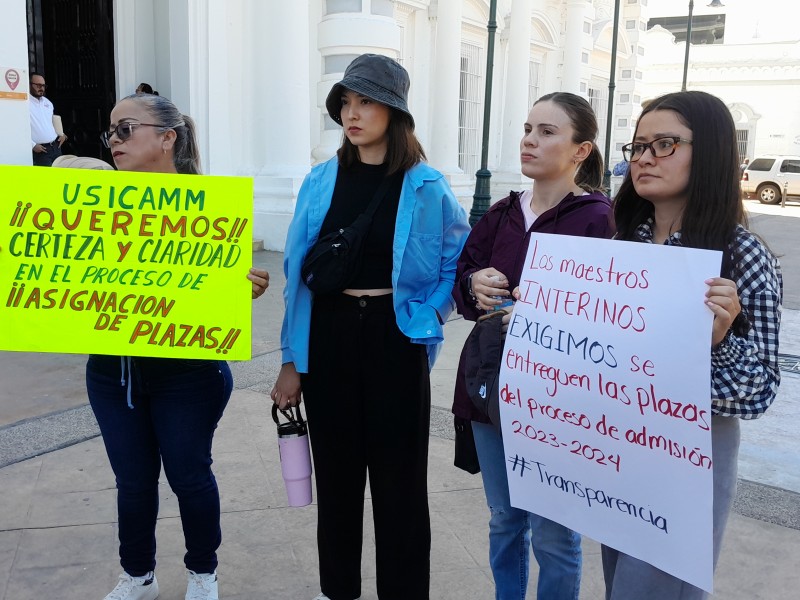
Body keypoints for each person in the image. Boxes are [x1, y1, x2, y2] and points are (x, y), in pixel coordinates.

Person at [272, 53, 470, 600]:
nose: (352, 114)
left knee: (400, 485)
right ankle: (338, 591)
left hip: (394, 337)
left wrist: (429, 315)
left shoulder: (426, 185)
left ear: (394, 113)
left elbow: (457, 261)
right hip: (329, 337)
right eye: (346, 103)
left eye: (366, 103)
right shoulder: (319, 181)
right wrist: (291, 360)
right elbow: (296, 275)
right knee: (336, 481)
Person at [88, 92, 269, 600]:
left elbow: (216, 286)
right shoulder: (91, 199)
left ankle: (202, 574)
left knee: (189, 475)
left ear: (167, 138)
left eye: (126, 129)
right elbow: (60, 167)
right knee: (132, 481)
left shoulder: (209, 212)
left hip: (188, 374)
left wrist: (243, 285)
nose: (114, 141)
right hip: (113, 372)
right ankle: (138, 575)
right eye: (111, 131)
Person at [602, 90, 782, 599]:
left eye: (664, 144)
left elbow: (759, 391)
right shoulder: (624, 243)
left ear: (711, 154)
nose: (643, 159)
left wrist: (719, 341)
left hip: (690, 448)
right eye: (637, 146)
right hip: (617, 439)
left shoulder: (740, 253)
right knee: (619, 580)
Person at [452, 92, 614, 600]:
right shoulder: (500, 213)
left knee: (555, 531)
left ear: (581, 151)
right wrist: (475, 283)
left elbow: (614, 315)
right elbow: (461, 280)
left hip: (559, 399)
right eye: (527, 128)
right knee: (504, 519)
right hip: (489, 384)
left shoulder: (599, 220)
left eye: (547, 132)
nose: (529, 140)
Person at [29, 73, 67, 166]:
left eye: (43, 85)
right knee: (46, 179)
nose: (41, 88)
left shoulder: (48, 103)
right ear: (29, 84)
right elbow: (18, 127)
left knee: (59, 177)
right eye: (38, 85)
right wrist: (32, 145)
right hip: (40, 151)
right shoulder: (24, 103)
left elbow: (52, 121)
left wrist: (61, 134)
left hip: (56, 147)